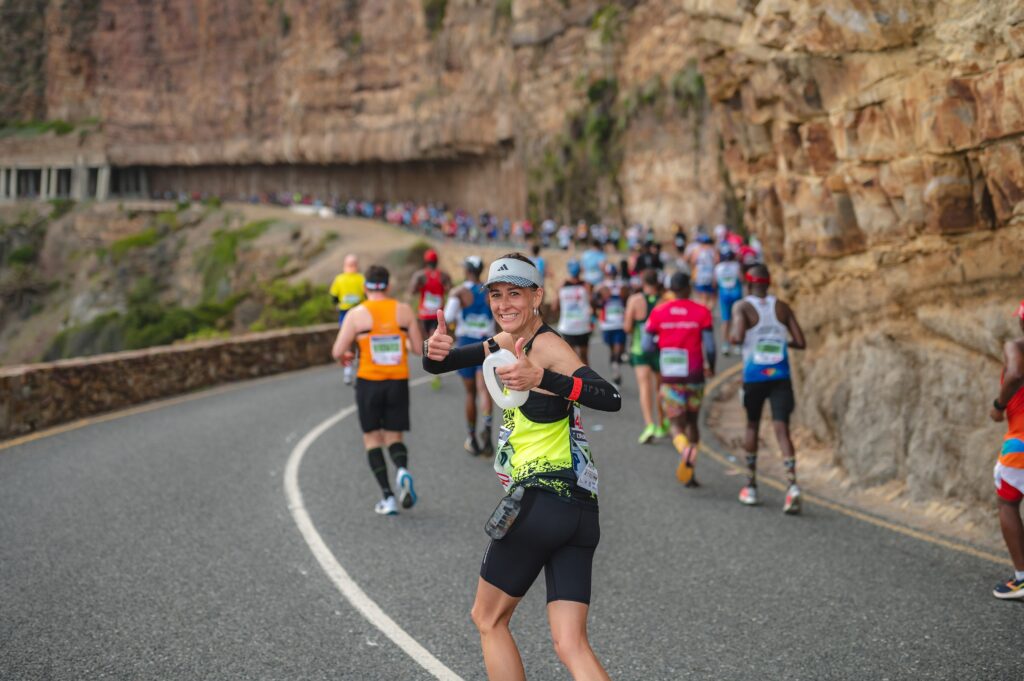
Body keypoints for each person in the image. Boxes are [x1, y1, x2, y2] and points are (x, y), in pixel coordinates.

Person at [422, 253, 620, 681]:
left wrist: (543, 379)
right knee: (571, 643)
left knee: (488, 619)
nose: (503, 304)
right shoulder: (506, 341)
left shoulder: (546, 346)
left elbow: (610, 397)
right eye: (496, 295)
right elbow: (446, 361)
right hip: (579, 510)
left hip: (541, 498)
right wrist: (432, 353)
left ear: (537, 297)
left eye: (515, 293)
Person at [332, 265, 423, 515]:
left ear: (365, 287)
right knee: (394, 436)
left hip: (369, 382)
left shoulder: (356, 314)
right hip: (398, 381)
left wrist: (347, 353)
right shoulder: (403, 310)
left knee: (372, 439)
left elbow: (338, 351)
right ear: (389, 285)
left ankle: (388, 497)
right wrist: (402, 341)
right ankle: (402, 470)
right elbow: (418, 349)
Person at [729, 264, 807, 513]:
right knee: (782, 429)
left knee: (752, 425)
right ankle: (792, 487)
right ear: (768, 282)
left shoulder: (742, 307)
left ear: (749, 282)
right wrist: (779, 342)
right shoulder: (782, 307)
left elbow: (737, 337)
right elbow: (801, 341)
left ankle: (751, 486)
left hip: (754, 377)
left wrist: (739, 336)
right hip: (780, 375)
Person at [645, 271, 715, 486]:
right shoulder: (702, 312)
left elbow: (647, 346)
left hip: (670, 378)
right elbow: (711, 347)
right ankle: (691, 471)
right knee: (693, 422)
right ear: (689, 288)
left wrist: (661, 351)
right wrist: (711, 367)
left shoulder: (658, 312)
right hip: (695, 376)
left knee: (676, 425)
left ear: (670, 289)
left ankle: (685, 451)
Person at [444, 256, 496, 457]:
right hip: (487, 344)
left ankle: (472, 438)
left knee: (470, 394)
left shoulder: (459, 292)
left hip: (466, 344)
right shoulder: (490, 291)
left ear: (466, 270)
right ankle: (488, 431)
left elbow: (448, 318)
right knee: (485, 390)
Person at [989, 301, 1024, 600]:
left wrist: (998, 406)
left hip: (1020, 442)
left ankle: (1022, 579)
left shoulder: (1016, 346)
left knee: (1007, 503)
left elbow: (1014, 375)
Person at [624, 269, 667, 443]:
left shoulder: (634, 300)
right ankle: (663, 423)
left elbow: (627, 327)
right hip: (660, 349)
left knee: (644, 386)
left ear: (643, 282)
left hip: (639, 349)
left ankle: (649, 424)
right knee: (661, 388)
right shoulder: (664, 301)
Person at [409, 248, 452, 390]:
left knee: (427, 343)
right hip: (437, 314)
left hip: (424, 315)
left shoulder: (420, 275)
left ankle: (433, 369)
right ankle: (435, 370)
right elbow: (450, 290)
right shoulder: (443, 276)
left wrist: (420, 285)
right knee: (434, 342)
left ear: (426, 261)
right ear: (437, 261)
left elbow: (412, 291)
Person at [329, 254, 366, 385]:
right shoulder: (361, 278)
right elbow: (367, 295)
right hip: (360, 313)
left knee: (347, 343)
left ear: (345, 265)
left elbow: (333, 297)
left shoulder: (339, 279)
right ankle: (362, 369)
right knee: (361, 342)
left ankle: (348, 372)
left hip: (345, 314)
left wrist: (341, 303)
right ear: (357, 265)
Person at [551, 259, 593, 364]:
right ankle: (586, 375)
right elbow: (592, 304)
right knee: (583, 357)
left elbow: (554, 307)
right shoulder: (586, 285)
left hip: (569, 326)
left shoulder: (562, 286)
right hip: (581, 325)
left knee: (571, 359)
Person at [593, 263, 628, 385]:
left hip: (618, 323)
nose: (612, 276)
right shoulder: (601, 287)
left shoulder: (622, 285)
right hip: (607, 323)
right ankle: (615, 366)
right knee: (613, 349)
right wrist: (602, 299)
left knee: (618, 348)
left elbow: (627, 300)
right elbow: (596, 303)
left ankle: (616, 367)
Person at [713, 247, 743, 356]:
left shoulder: (718, 267)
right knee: (737, 319)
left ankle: (725, 344)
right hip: (736, 295)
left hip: (724, 296)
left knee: (726, 321)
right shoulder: (736, 265)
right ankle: (737, 344)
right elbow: (741, 279)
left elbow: (714, 283)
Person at [688, 232, 718, 310]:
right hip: (710, 275)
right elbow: (717, 260)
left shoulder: (697, 250)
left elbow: (692, 262)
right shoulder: (712, 250)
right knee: (713, 296)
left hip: (700, 276)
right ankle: (709, 310)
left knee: (703, 297)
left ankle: (705, 311)